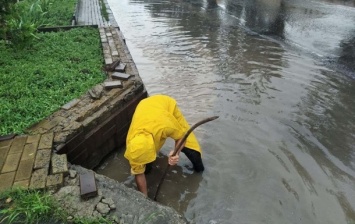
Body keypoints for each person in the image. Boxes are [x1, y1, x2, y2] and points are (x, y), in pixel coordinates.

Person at [124, 94, 204, 196]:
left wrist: (175, 153)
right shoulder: (133, 145)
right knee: (144, 168)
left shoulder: (165, 125)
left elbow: (181, 138)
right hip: (144, 107)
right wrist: (144, 197)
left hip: (165, 105)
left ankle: (199, 170)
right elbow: (138, 173)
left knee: (192, 150)